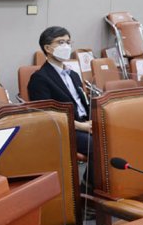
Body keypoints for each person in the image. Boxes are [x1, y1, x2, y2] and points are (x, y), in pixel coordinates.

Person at [27, 26, 94, 188]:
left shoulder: (74, 75)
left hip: (87, 124)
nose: (66, 46)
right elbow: (47, 116)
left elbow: (84, 103)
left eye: (68, 42)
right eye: (61, 42)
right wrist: (81, 126)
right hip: (66, 129)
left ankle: (108, 187)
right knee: (99, 145)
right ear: (48, 48)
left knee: (117, 137)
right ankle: (89, 190)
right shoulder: (39, 79)